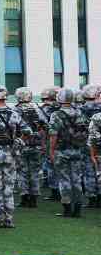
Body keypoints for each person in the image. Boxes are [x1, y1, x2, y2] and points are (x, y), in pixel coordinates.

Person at [0, 85, 31, 228]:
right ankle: (9, 219)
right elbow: (28, 131)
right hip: (10, 154)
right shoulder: (14, 114)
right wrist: (19, 142)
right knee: (9, 187)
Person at [48, 88, 87, 218]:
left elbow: (53, 135)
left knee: (64, 179)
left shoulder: (56, 114)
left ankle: (67, 209)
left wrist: (51, 151)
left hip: (61, 151)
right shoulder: (79, 112)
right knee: (76, 179)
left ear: (59, 98)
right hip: (77, 150)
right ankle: (78, 209)